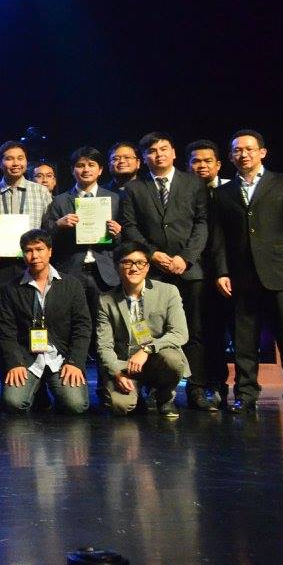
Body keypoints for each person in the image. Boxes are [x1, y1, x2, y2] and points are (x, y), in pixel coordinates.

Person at [118, 131, 210, 410]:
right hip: (152, 271)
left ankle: (196, 389)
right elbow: (130, 226)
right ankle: (153, 387)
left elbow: (202, 224)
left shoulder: (193, 183)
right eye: (152, 151)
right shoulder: (134, 188)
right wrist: (152, 254)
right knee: (146, 331)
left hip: (187, 270)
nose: (158, 155)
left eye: (163, 149)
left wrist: (186, 257)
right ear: (144, 158)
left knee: (194, 331)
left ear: (173, 152)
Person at [210, 129, 283, 413]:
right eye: (237, 150)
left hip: (280, 273)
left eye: (249, 149)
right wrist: (221, 271)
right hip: (240, 275)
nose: (243, 154)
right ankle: (245, 394)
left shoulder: (282, 184)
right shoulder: (222, 193)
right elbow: (218, 237)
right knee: (244, 341)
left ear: (262, 152)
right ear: (231, 156)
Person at [0, 140, 54, 395]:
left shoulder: (41, 192)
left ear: (26, 162)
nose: (15, 163)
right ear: (0, 163)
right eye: (9, 158)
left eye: (20, 158)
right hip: (1, 267)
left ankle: (38, 386)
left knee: (34, 322)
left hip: (33, 266)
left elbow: (48, 229)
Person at [0, 229, 91, 415]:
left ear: (50, 251)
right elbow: (6, 331)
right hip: (27, 358)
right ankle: (37, 389)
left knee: (76, 405)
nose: (34, 256)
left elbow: (82, 327)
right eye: (28, 251)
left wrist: (75, 362)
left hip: (60, 357)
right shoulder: (10, 289)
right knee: (13, 402)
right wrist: (15, 362)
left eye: (39, 249)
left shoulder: (71, 285)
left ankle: (51, 389)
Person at [95, 241, 189, 417]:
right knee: (120, 406)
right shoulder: (106, 300)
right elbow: (104, 346)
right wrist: (117, 373)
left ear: (147, 267)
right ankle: (137, 394)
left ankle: (164, 397)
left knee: (173, 360)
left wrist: (146, 350)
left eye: (140, 263)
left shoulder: (169, 292)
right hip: (125, 364)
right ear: (117, 267)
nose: (134, 268)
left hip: (157, 358)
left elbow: (179, 333)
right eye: (127, 262)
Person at [44, 147, 123, 344]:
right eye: (80, 165)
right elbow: (46, 238)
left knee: (104, 325)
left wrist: (118, 233)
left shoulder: (114, 199)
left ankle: (105, 364)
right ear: (73, 170)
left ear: (100, 170)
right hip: (72, 270)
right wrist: (58, 225)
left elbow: (124, 240)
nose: (86, 169)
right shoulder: (60, 200)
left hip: (104, 272)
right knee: (72, 323)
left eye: (91, 165)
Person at [188, 138, 233, 404]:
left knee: (223, 331)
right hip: (193, 272)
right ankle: (200, 384)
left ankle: (222, 384)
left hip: (228, 273)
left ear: (218, 164)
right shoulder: (184, 192)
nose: (201, 166)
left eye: (207, 161)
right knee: (198, 330)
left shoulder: (230, 190)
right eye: (195, 161)